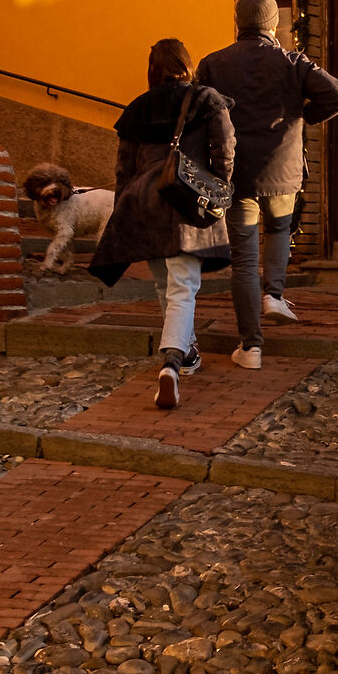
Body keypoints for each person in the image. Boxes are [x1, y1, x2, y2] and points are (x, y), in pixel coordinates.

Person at [196, 0, 338, 371]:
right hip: (282, 171)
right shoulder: (292, 61)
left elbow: (200, 114)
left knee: (245, 261)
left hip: (236, 172)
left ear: (238, 23)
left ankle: (251, 347)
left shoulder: (213, 64)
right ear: (274, 25)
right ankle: (275, 294)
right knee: (280, 229)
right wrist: (302, 116)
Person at [90, 37, 234, 409]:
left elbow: (124, 167)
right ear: (186, 64)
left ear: (152, 69)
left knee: (164, 284)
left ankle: (186, 354)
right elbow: (225, 150)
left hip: (144, 201)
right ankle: (171, 362)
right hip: (186, 201)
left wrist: (125, 209)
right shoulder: (207, 100)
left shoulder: (138, 108)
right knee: (183, 288)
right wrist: (219, 188)